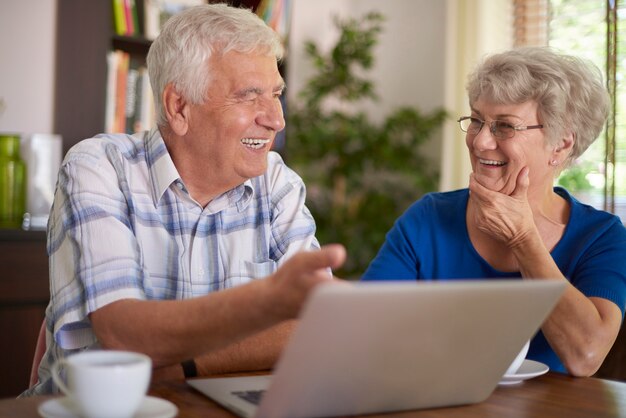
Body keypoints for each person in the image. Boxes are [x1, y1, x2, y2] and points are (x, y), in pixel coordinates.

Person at [23, 3, 346, 396]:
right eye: (249, 96)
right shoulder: (98, 167)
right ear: (179, 107)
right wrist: (267, 303)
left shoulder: (278, 183)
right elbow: (123, 333)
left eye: (276, 94)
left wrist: (187, 366)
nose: (276, 119)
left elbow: (319, 329)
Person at [362, 47, 626, 376]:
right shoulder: (428, 219)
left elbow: (585, 356)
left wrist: (524, 239)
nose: (480, 141)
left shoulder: (601, 236)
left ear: (560, 144)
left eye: (504, 126)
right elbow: (363, 333)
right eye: (476, 120)